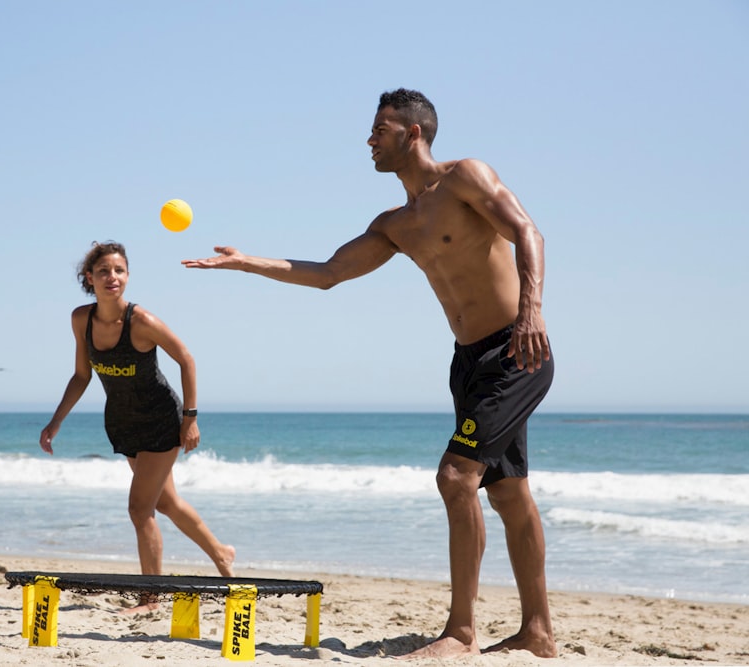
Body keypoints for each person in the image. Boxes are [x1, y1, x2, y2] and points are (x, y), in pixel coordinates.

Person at [182, 89, 556, 658]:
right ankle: (538, 633)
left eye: (380, 129)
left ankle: (460, 633)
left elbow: (529, 231)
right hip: (469, 363)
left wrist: (532, 310)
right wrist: (245, 262)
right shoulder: (395, 224)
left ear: (413, 133)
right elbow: (329, 272)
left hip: (516, 351)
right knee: (507, 493)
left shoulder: (466, 178)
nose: (369, 139)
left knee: (457, 478)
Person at [40, 241, 236, 613]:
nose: (111, 277)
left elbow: (187, 359)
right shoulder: (80, 320)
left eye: (118, 270)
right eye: (103, 271)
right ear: (89, 278)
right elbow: (82, 375)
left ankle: (151, 597)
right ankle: (222, 553)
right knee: (165, 502)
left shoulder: (141, 321)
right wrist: (56, 420)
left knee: (139, 509)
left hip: (161, 421)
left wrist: (190, 419)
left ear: (127, 276)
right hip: (123, 423)